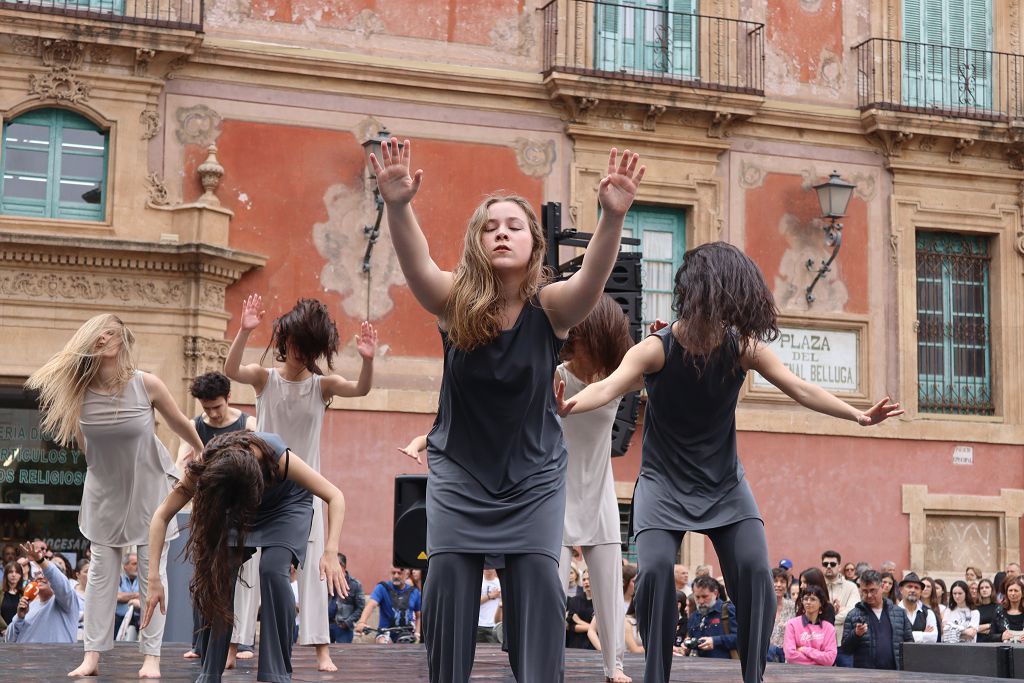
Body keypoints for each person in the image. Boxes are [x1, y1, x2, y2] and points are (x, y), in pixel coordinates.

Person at [556, 242, 902, 683]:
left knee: (757, 572)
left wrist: (857, 414)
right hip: (663, 484)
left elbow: (799, 387)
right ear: (707, 296)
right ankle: (655, 676)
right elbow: (611, 386)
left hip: (724, 485)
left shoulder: (743, 349)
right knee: (658, 570)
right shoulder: (656, 349)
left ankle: (752, 677)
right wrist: (573, 404)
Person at [371, 136, 645, 683]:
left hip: (535, 480)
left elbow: (591, 280)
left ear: (533, 243)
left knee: (541, 601)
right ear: (477, 241)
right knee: (448, 599)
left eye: (513, 225)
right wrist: (399, 206)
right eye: (490, 225)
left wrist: (610, 218)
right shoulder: (453, 301)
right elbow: (418, 264)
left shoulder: (552, 307)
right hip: (462, 476)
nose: (501, 231)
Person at [26, 313, 204, 678]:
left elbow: (180, 423)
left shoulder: (146, 385)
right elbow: (86, 449)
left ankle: (151, 656)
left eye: (109, 333)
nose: (103, 338)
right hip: (105, 492)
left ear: (120, 340)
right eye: (99, 334)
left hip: (149, 489)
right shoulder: (80, 392)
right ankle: (91, 655)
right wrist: (103, 474)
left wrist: (202, 450)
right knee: (101, 577)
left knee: (152, 574)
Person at [225, 297, 377, 672]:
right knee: (248, 567)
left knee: (314, 569)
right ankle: (234, 643)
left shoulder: (323, 387)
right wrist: (244, 330)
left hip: (304, 491)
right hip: (259, 488)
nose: (296, 352)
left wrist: (369, 359)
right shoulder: (266, 379)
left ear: (315, 349)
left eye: (305, 347)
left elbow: (360, 389)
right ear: (284, 340)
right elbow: (230, 370)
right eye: (292, 343)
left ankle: (321, 647)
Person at [141, 431, 348, 683]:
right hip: (235, 507)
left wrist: (330, 551)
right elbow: (161, 515)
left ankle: (276, 673)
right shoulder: (207, 468)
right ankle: (209, 671)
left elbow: (335, 495)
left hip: (286, 505)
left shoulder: (275, 454)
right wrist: (153, 577)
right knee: (218, 575)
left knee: (272, 569)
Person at [556, 294, 634, 682]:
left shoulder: (618, 376)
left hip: (599, 487)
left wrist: (660, 338)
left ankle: (613, 667)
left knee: (608, 585)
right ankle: (545, 663)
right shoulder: (556, 375)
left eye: (584, 333)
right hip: (557, 490)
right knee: (552, 588)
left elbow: (664, 366)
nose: (578, 340)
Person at [180, 371, 259, 665]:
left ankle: (242, 641)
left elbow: (258, 467)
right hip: (207, 510)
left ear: (228, 398)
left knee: (244, 579)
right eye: (206, 408)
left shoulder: (248, 424)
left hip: (240, 510)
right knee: (203, 576)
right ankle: (200, 643)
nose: (212, 413)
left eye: (217, 406)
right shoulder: (195, 426)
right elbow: (182, 464)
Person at [5, 541, 82, 643]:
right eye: (38, 574)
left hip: (58, 658)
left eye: (45, 573)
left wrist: (40, 560)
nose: (40, 576)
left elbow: (58, 580)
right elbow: (9, 640)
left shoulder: (67, 601)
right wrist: (19, 617)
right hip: (24, 658)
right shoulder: (29, 606)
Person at [840, 570, 914, 670]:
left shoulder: (899, 613)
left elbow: (909, 644)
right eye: (865, 591)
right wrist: (856, 634)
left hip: (895, 674)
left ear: (882, 588)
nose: (869, 595)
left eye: (873, 590)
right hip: (865, 675)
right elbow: (846, 650)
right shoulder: (853, 615)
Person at [354, 567, 422, 643]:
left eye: (399, 573)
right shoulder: (382, 588)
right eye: (393, 573)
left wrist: (417, 633)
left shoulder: (414, 592)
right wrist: (362, 622)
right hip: (385, 633)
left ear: (407, 574)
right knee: (384, 643)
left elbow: (419, 616)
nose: (396, 576)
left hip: (407, 634)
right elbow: (371, 605)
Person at [682, 575, 737, 659]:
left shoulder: (729, 611)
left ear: (715, 593)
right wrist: (686, 644)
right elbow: (691, 637)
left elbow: (742, 638)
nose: (700, 601)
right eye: (697, 597)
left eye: (704, 596)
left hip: (725, 667)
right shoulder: (694, 616)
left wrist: (715, 641)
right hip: (698, 667)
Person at [782, 584, 837, 666]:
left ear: (820, 603)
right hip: (796, 674)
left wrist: (804, 650)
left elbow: (830, 659)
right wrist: (819, 660)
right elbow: (790, 656)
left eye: (813, 599)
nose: (808, 602)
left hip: (822, 675)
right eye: (805, 599)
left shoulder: (829, 628)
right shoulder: (792, 624)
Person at [822, 549, 858, 664]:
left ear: (839, 566)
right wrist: (838, 612)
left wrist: (826, 616)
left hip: (843, 643)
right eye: (825, 564)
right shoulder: (817, 587)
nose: (828, 566)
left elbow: (852, 612)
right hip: (821, 643)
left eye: (832, 564)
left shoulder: (851, 587)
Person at [328, 553, 365, 644]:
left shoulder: (355, 584)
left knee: (342, 655)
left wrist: (347, 623)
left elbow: (360, 607)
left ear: (342, 566)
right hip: (325, 627)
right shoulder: (325, 582)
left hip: (343, 628)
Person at [896, 573, 937, 643]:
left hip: (921, 653)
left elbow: (933, 638)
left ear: (921, 592)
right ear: (901, 590)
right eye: (909, 586)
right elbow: (894, 638)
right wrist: (923, 634)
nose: (913, 590)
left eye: (916, 588)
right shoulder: (892, 612)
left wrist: (905, 636)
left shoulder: (928, 613)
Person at [768, 568, 794, 662]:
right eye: (775, 581)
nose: (778, 585)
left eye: (782, 582)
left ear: (787, 585)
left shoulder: (793, 607)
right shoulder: (761, 608)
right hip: (765, 656)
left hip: (787, 658)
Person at [566, 568, 596, 650]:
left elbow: (602, 629)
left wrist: (579, 621)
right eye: (584, 579)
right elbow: (571, 626)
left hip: (595, 645)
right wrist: (593, 629)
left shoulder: (601, 602)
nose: (586, 582)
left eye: (589, 579)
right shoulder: (575, 600)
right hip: (576, 645)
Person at [114, 553, 141, 638]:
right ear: (125, 566)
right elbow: (118, 596)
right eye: (134, 564)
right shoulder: (118, 579)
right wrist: (137, 595)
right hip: (120, 620)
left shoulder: (142, 580)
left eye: (138, 564)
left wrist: (127, 597)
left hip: (138, 620)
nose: (137, 567)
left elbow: (147, 596)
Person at [993, 576, 1024, 642]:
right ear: (1006, 593)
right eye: (1010, 590)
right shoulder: (999, 611)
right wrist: (1001, 637)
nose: (1013, 593)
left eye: (1016, 591)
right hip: (1004, 651)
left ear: (1022, 593)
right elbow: (990, 636)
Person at [476, 567, 502, 644]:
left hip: (494, 626)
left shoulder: (500, 583)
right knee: (476, 652)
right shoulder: (478, 582)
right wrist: (490, 596)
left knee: (495, 652)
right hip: (479, 625)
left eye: (490, 568)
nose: (488, 570)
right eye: (485, 568)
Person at [1, 560, 24, 631]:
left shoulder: (24, 593)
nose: (14, 575)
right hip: (2, 633)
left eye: (17, 572)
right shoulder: (1, 591)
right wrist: (5, 629)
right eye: (11, 572)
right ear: (6, 574)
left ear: (20, 575)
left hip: (19, 633)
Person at [977, 578, 1000, 642]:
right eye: (981, 588)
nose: (984, 590)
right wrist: (988, 625)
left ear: (991, 589)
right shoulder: (975, 608)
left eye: (987, 587)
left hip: (994, 641)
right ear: (979, 591)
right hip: (978, 641)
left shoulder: (998, 607)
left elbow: (998, 627)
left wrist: (980, 628)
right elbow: (973, 628)